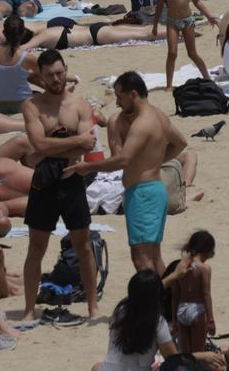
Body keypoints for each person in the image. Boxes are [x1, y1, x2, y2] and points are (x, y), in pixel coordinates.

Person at [17, 49, 103, 322]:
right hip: (44, 181)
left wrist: (50, 146)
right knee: (36, 246)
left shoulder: (79, 105)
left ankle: (92, 306)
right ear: (40, 77)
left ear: (66, 70)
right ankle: (30, 309)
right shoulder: (32, 106)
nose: (56, 79)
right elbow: (38, 144)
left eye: (60, 72)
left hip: (72, 177)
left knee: (84, 245)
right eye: (50, 75)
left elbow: (87, 144)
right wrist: (68, 143)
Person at [75, 70, 188, 276]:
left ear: (133, 94)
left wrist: (88, 167)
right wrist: (152, 161)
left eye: (119, 96)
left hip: (142, 194)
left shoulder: (142, 123)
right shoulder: (159, 116)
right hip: (153, 191)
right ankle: (163, 301)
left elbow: (123, 160)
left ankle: (154, 303)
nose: (117, 102)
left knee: (141, 258)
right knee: (153, 256)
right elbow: (180, 143)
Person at [90, 270, 220, 371]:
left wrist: (172, 276)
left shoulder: (119, 313)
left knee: (96, 366)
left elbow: (141, 294)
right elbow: (174, 359)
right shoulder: (157, 321)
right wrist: (202, 356)